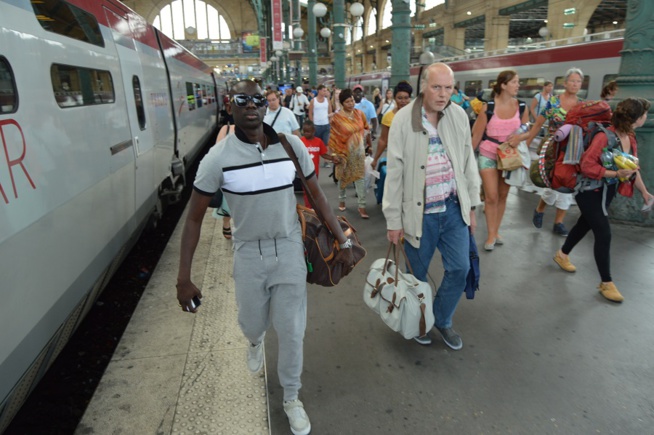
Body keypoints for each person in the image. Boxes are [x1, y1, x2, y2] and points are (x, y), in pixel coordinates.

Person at [175, 80, 354, 435]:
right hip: (248, 253)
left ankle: (291, 397)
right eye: (243, 99)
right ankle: (254, 341)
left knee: (291, 331)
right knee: (252, 322)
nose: (252, 105)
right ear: (231, 105)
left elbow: (316, 194)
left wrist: (342, 242)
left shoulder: (290, 146)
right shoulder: (218, 158)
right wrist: (183, 277)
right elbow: (194, 217)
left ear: (266, 104)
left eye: (258, 99)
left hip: (289, 248)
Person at [383, 63, 481, 349]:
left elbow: (467, 162)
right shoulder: (403, 120)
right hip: (419, 214)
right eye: (437, 87)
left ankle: (441, 319)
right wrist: (393, 220)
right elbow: (395, 173)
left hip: (452, 209)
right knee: (416, 277)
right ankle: (418, 321)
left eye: (448, 88)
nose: (442, 94)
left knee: (460, 269)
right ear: (423, 86)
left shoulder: (458, 115)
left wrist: (472, 206)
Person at [553, 98, 653, 303]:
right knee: (603, 232)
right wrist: (615, 174)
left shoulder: (630, 138)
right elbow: (587, 166)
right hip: (588, 190)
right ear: (636, 118)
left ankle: (562, 255)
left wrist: (644, 191)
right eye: (645, 114)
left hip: (606, 191)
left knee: (585, 223)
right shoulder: (603, 136)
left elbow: (632, 168)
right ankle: (606, 282)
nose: (647, 117)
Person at [471, 70, 530, 251]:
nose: (518, 85)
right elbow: (476, 136)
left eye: (518, 82)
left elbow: (526, 131)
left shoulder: (521, 106)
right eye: (514, 82)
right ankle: (490, 235)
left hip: (509, 157)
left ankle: (496, 231)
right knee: (491, 196)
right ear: (503, 85)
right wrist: (463, 161)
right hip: (488, 154)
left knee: (503, 195)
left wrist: (519, 139)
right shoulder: (487, 108)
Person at [526, 67, 585, 237]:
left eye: (578, 81)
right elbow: (538, 124)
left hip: (572, 151)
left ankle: (558, 223)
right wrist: (525, 146)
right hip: (553, 150)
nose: (575, 84)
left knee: (567, 186)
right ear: (565, 83)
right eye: (572, 81)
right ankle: (540, 209)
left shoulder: (582, 105)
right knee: (552, 186)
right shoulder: (553, 102)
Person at [328, 88, 373, 218]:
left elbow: (367, 129)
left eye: (352, 100)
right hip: (343, 153)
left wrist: (369, 145)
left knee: (360, 178)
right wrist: (334, 155)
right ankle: (342, 200)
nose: (351, 103)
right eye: (348, 101)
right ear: (342, 103)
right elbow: (334, 137)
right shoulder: (337, 118)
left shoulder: (360, 113)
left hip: (358, 152)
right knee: (342, 177)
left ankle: (362, 206)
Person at [370, 81, 413, 171]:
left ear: (410, 98)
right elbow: (383, 140)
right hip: (395, 159)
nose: (403, 101)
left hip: (413, 159)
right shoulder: (388, 116)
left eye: (406, 98)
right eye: (400, 98)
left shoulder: (416, 115)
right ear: (395, 98)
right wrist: (375, 159)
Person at [300, 120, 337, 208]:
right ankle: (308, 208)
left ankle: (313, 206)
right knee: (306, 191)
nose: (306, 133)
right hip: (303, 171)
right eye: (304, 132)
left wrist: (332, 158)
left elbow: (323, 154)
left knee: (313, 190)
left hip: (314, 172)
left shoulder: (318, 141)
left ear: (313, 131)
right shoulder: (300, 141)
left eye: (308, 132)